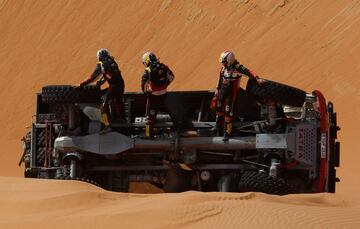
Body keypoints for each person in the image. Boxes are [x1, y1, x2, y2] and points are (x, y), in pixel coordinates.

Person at [213, 50, 264, 141]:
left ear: (229, 60)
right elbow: (220, 78)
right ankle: (217, 127)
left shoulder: (238, 68)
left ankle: (227, 133)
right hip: (222, 92)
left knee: (228, 114)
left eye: (224, 61)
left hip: (231, 94)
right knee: (218, 109)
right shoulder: (223, 68)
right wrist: (217, 89)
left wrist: (257, 78)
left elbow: (249, 72)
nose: (223, 63)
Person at [80, 48, 125, 128]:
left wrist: (81, 84)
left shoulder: (101, 64)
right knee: (118, 102)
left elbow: (93, 77)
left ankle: (106, 125)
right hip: (121, 85)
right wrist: (100, 82)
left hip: (114, 86)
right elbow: (108, 75)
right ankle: (123, 121)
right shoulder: (113, 62)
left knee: (104, 106)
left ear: (99, 57)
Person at [141, 52, 174, 138]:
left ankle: (148, 136)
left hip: (153, 98)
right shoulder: (164, 66)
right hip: (164, 95)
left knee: (149, 119)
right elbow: (172, 77)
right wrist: (165, 85)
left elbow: (143, 86)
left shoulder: (148, 70)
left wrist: (147, 92)